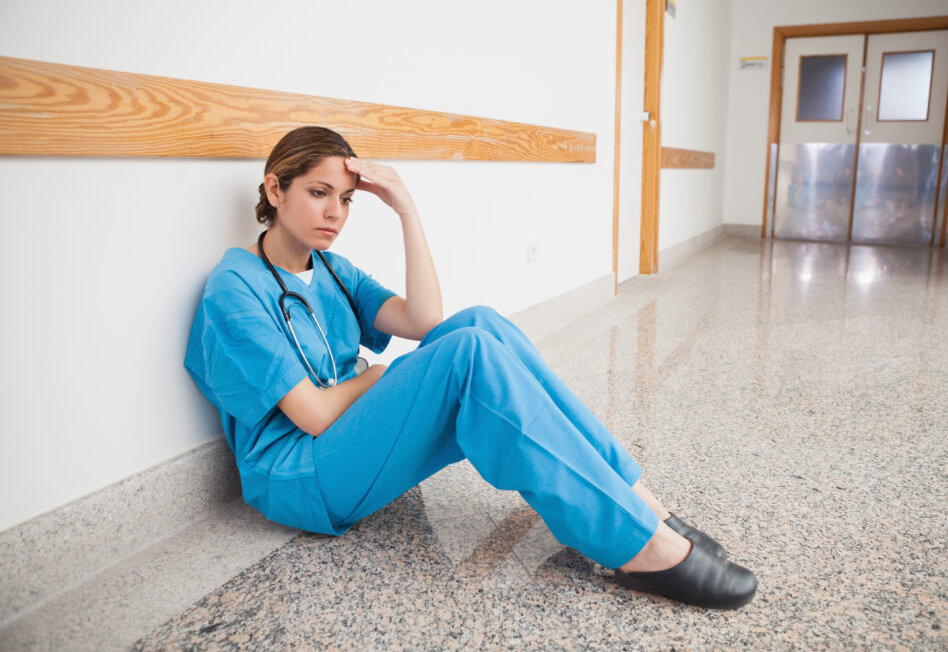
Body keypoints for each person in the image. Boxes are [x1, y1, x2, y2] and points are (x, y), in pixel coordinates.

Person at [184, 126, 757, 609]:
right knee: (466, 355)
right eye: (318, 193)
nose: (335, 212)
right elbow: (310, 414)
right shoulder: (235, 287)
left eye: (347, 199)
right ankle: (636, 546)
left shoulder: (332, 270)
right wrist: (377, 377)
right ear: (274, 189)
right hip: (299, 476)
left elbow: (429, 319)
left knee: (477, 323)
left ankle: (639, 502)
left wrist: (405, 206)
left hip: (347, 442)